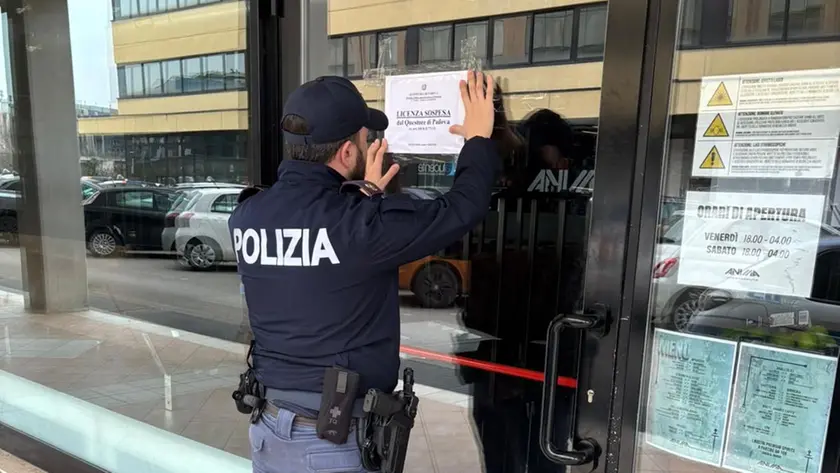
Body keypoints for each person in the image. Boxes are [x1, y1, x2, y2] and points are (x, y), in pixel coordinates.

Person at [229, 71, 499, 473]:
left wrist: (364, 197)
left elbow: (319, 260)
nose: (366, 143)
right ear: (346, 152)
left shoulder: (248, 216)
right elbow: (461, 208)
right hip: (328, 446)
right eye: (362, 138)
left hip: (268, 431)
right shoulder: (360, 225)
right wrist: (477, 140)